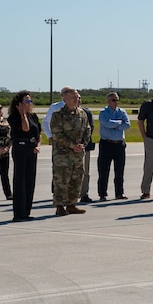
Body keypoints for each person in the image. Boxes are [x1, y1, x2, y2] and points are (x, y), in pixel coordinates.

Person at [50, 87, 93, 217]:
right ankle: (59, 206)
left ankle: (72, 204)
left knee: (77, 179)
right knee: (62, 180)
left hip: (78, 154)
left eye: (77, 97)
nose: (76, 99)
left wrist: (82, 144)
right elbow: (57, 134)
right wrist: (72, 145)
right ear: (64, 97)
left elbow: (87, 130)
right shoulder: (58, 115)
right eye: (73, 97)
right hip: (63, 154)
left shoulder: (82, 114)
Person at [8, 92, 42, 220]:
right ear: (20, 104)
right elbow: (25, 129)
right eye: (27, 101)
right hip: (20, 149)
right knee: (20, 180)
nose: (30, 104)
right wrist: (22, 114)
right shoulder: (14, 117)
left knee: (30, 180)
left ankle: (27, 211)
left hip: (31, 149)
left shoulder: (33, 116)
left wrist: (38, 145)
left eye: (30, 101)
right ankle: (19, 213)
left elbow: (38, 134)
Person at [97, 91, 130, 200]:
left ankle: (119, 193)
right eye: (113, 100)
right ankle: (102, 194)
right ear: (108, 101)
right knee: (103, 170)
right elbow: (106, 123)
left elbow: (127, 125)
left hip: (119, 144)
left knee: (119, 170)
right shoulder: (103, 112)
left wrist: (114, 124)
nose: (116, 102)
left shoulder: (122, 112)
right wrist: (118, 123)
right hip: (107, 144)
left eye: (117, 100)